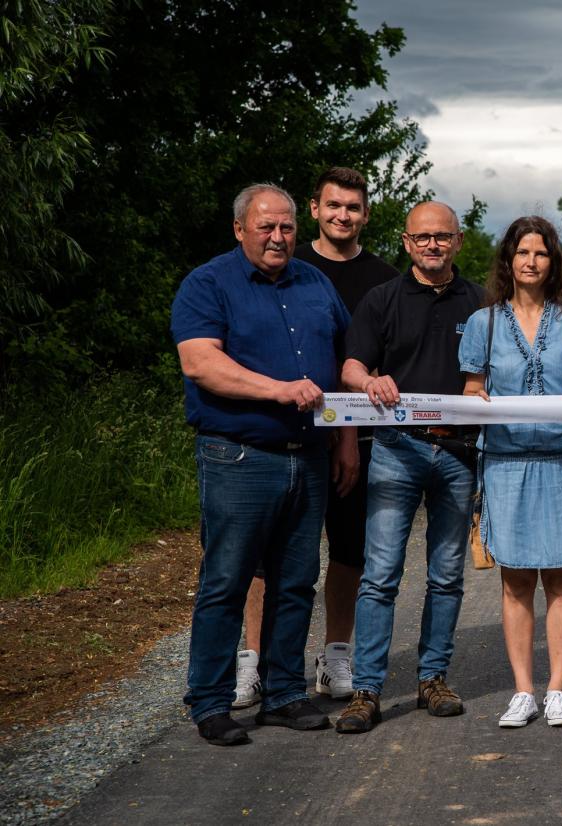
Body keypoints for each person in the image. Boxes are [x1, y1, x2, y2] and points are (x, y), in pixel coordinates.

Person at [170, 183, 357, 746]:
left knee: (296, 582)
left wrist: (346, 439)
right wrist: (279, 389)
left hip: (311, 455)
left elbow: (342, 362)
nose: (278, 237)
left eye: (287, 227)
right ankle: (210, 702)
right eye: (266, 227)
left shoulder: (315, 283)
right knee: (227, 582)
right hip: (239, 456)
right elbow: (200, 363)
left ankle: (283, 694)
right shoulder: (208, 283)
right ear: (239, 229)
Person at [233, 167, 398, 709]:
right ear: (315, 209)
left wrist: (348, 437)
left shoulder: (384, 279)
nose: (342, 215)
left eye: (352, 207)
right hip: (284, 437)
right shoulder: (289, 265)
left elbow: (369, 363)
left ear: (366, 214)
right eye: (333, 205)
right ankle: (253, 661)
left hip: (357, 441)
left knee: (349, 551)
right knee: (266, 557)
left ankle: (335, 656)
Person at [333, 201, 486, 734]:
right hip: (397, 448)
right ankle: (367, 690)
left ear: (458, 241)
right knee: (379, 576)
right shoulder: (382, 299)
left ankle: (433, 679)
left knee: (446, 576)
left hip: (460, 453)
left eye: (442, 236)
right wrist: (367, 381)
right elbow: (351, 366)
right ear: (406, 242)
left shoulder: (482, 303)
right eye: (422, 237)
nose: (432, 245)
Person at [458, 216, 562, 728]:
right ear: (508, 259)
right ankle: (523, 691)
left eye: (540, 253)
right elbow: (472, 390)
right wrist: (477, 398)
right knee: (516, 580)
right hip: (507, 462)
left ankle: (558, 690)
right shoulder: (483, 323)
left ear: (552, 261)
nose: (531, 261)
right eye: (522, 252)